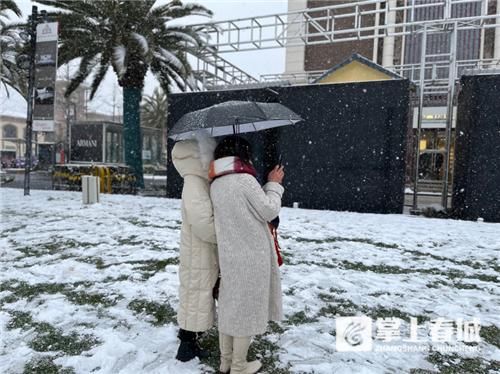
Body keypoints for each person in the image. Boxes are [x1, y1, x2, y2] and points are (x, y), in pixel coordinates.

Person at [209, 136, 285, 374]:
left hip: (229, 253)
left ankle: (226, 361)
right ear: (242, 155)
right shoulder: (244, 179)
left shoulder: (216, 183)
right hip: (251, 255)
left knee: (231, 306)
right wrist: (274, 184)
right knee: (247, 309)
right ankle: (240, 366)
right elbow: (268, 209)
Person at [171, 135, 219, 362]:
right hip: (199, 249)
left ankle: (190, 337)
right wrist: (223, 236)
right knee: (195, 294)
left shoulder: (198, 180)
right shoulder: (194, 181)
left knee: (197, 292)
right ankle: (187, 345)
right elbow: (202, 223)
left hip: (199, 248)